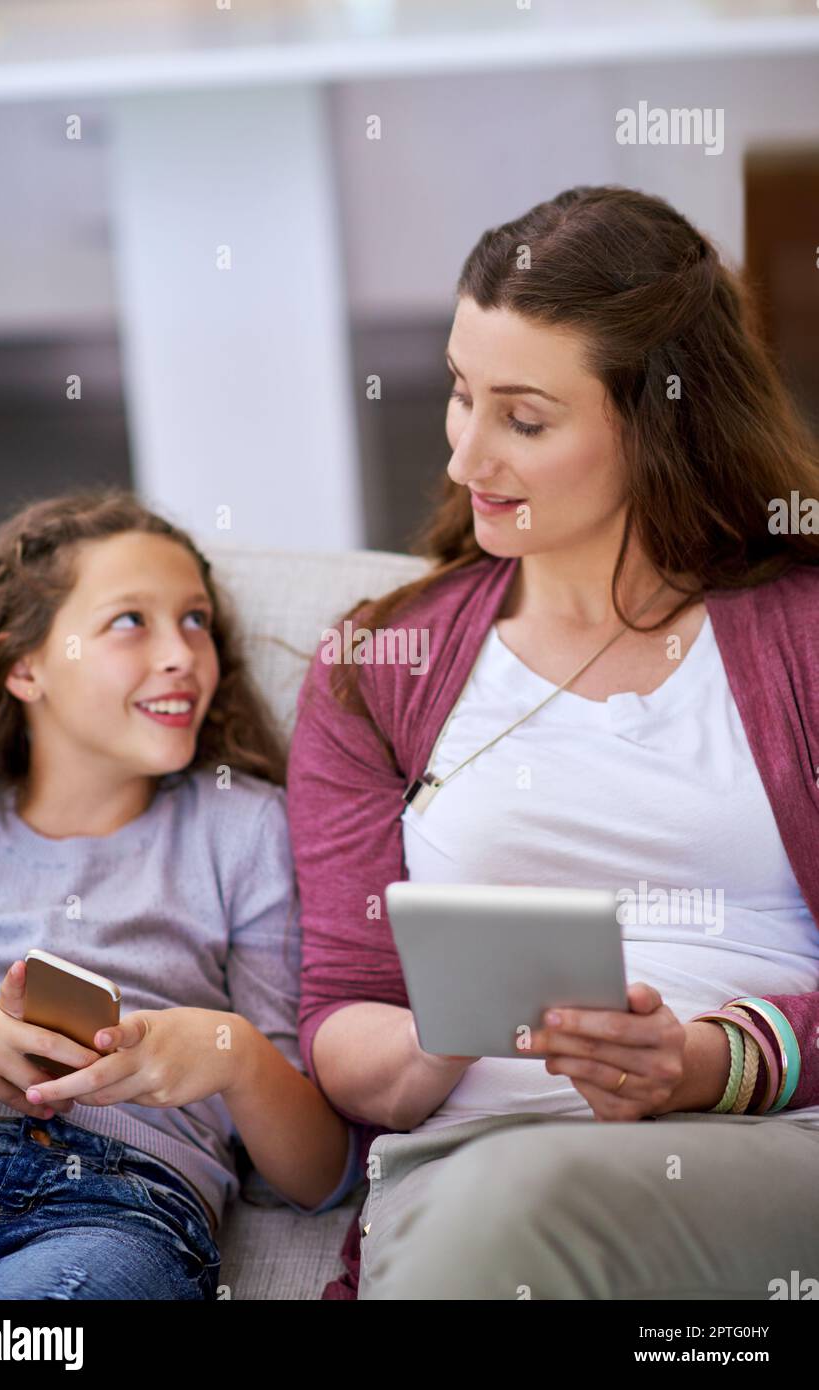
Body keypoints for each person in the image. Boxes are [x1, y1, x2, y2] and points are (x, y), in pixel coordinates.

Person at [286, 185, 819, 1300]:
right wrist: (442, 1029)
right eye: (459, 395)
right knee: (489, 1215)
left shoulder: (800, 637)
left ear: (658, 420)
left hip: (768, 1148)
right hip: (469, 1164)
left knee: (508, 1217)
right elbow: (340, 1010)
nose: (466, 454)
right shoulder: (377, 667)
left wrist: (710, 1063)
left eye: (523, 418)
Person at [0, 489, 358, 1300]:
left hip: (120, 1204)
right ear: (24, 666)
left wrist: (229, 1052)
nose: (182, 654)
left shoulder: (244, 830)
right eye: (131, 621)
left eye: (195, 620)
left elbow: (319, 1178)